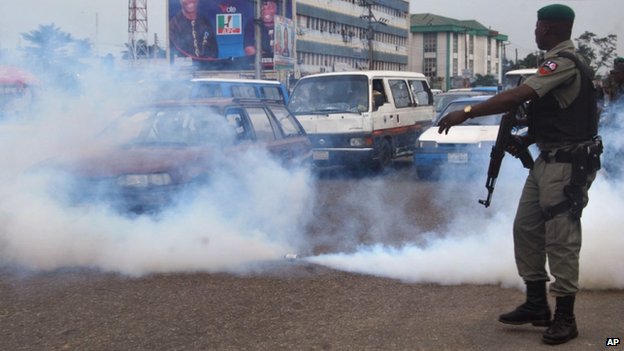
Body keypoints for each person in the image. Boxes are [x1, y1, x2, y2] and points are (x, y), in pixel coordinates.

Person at [438, 4, 602, 345]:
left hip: (567, 165)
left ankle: (565, 317)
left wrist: (466, 112)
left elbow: (519, 95)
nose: (535, 31)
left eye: (538, 26)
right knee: (526, 227)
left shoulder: (564, 63)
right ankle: (536, 304)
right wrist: (526, 138)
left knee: (561, 239)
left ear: (548, 28)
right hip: (548, 160)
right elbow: (554, 114)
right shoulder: (554, 63)